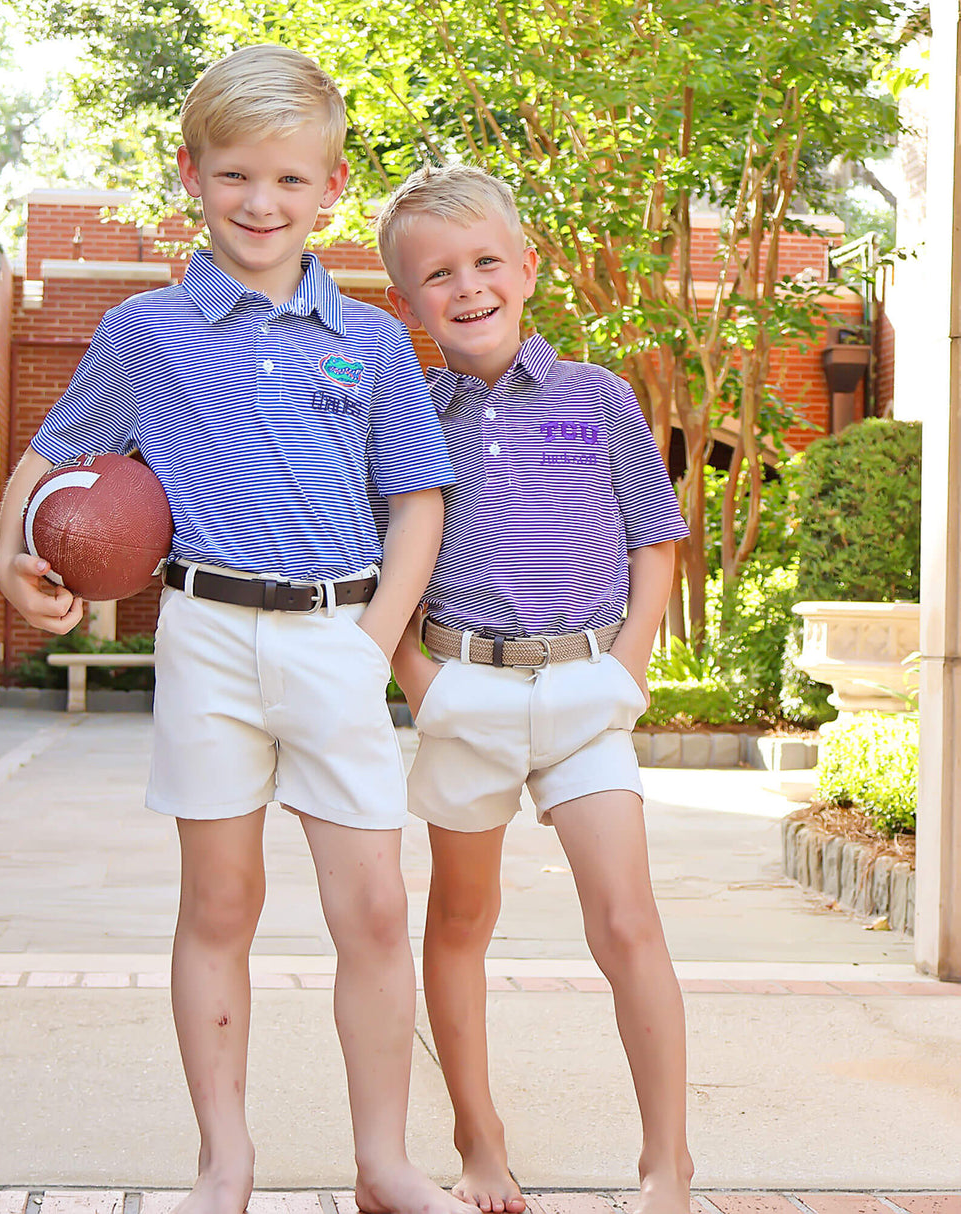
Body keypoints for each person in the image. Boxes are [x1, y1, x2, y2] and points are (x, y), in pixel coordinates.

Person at [0, 47, 471, 1214]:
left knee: (371, 907)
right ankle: (224, 1158)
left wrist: (371, 643)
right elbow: (47, 458)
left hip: (333, 636)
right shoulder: (143, 332)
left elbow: (418, 501)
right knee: (218, 904)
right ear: (189, 174)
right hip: (206, 636)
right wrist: (15, 557)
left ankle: (382, 1159)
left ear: (331, 187)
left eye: (289, 180)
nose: (261, 204)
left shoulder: (368, 340)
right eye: (234, 176)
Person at [377, 164, 695, 1214]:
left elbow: (656, 538)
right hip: (461, 692)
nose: (464, 287)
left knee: (625, 921)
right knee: (460, 920)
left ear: (524, 268)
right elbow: (379, 563)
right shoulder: (409, 416)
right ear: (404, 300)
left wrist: (628, 664)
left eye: (482, 263)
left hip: (583, 695)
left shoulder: (595, 397)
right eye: (436, 275)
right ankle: (478, 1140)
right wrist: (417, 680)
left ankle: (665, 1160)